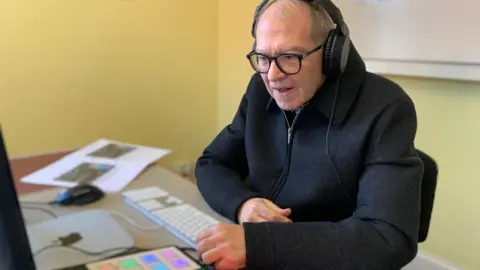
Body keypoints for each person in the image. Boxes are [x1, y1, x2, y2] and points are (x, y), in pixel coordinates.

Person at [194, 0, 424, 269]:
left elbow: (388, 237)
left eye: (290, 57)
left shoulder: (385, 106)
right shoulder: (259, 90)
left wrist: (259, 243)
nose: (272, 75)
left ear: (332, 54)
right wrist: (243, 204)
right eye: (263, 57)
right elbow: (211, 163)